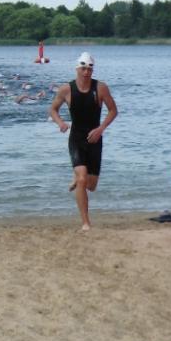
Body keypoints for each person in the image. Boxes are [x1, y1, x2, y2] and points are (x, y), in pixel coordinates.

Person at [49, 52, 118, 231]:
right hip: (77, 139)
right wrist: (60, 123)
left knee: (91, 186)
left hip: (95, 139)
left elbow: (113, 111)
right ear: (77, 69)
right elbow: (53, 109)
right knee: (82, 179)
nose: (86, 72)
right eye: (83, 69)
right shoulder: (66, 89)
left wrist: (101, 129)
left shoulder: (100, 88)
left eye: (89, 69)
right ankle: (86, 222)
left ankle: (79, 177)